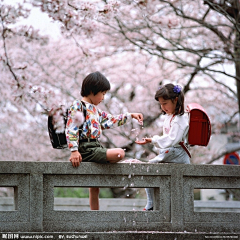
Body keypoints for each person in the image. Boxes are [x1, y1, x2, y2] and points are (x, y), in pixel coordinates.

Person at [65, 71, 143, 210]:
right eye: (102, 93)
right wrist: (74, 151)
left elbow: (112, 120)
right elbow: (71, 128)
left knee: (95, 188)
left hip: (96, 146)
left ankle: (95, 217)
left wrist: (130, 115)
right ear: (92, 90)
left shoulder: (96, 111)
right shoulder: (78, 106)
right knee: (120, 153)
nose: (103, 97)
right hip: (86, 147)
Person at [136, 83, 190, 211]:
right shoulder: (170, 117)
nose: (163, 107)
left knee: (149, 166)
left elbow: (171, 140)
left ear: (175, 100)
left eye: (165, 103)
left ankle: (151, 203)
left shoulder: (180, 119)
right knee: (150, 168)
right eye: (161, 104)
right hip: (172, 151)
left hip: (178, 153)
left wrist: (154, 140)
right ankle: (151, 202)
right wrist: (153, 140)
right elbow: (168, 139)